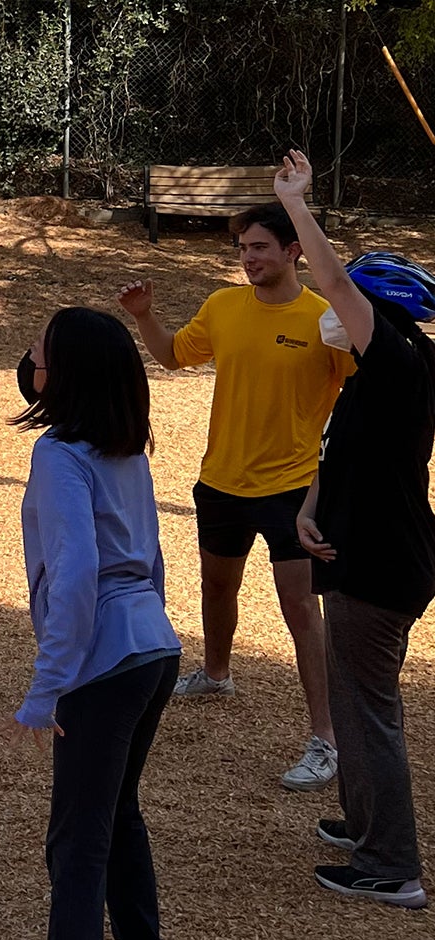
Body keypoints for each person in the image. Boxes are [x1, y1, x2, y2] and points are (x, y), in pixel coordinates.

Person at [0, 307, 182, 940]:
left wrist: (45, 690)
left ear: (67, 376)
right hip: (153, 648)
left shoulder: (59, 455)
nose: (28, 363)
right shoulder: (126, 447)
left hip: (106, 663)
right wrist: (148, 639)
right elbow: (151, 557)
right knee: (117, 813)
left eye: (38, 354)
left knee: (77, 843)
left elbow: (77, 578)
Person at [117, 204, 354, 791]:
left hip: (293, 489)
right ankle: (217, 672)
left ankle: (327, 739)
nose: (249, 259)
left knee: (301, 610)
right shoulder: (222, 307)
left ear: (293, 251)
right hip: (221, 480)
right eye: (244, 249)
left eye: (260, 248)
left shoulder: (326, 320)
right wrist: (145, 317)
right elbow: (173, 354)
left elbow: (359, 397)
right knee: (216, 585)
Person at [275, 151, 433, 909]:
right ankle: (368, 823)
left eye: (348, 304)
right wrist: (310, 508)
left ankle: (392, 867)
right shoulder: (377, 378)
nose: (328, 311)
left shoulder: (398, 359)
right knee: (361, 698)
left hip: (381, 567)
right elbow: (339, 456)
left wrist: (297, 206)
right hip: (362, 556)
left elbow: (336, 282)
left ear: (380, 312)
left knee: (368, 711)